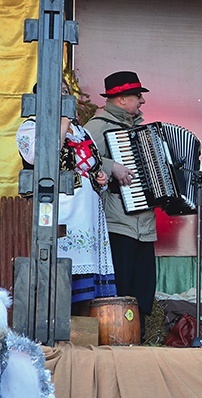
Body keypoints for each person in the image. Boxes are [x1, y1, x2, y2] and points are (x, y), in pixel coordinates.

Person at [16, 80, 116, 315]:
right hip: (61, 209)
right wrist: (61, 122)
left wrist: (100, 178)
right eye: (57, 93)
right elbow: (40, 157)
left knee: (87, 275)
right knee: (62, 266)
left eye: (66, 93)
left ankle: (85, 323)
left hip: (88, 212)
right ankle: (58, 320)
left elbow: (91, 166)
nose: (63, 97)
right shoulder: (31, 127)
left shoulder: (82, 131)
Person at [84, 71, 156, 338]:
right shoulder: (97, 126)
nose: (142, 102)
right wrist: (111, 165)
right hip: (117, 218)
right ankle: (119, 334)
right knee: (122, 280)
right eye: (138, 96)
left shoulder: (139, 127)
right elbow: (81, 158)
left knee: (143, 281)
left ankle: (139, 332)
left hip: (144, 221)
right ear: (123, 98)